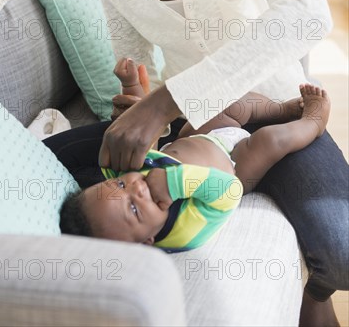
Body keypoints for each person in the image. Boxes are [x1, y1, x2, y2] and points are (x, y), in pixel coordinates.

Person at [47, 0, 348, 326]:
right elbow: (135, 61)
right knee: (44, 168)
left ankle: (316, 290)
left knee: (342, 250)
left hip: (273, 102)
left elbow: (305, 12)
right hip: (189, 129)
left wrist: (165, 100)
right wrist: (137, 94)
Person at [60, 59, 330, 254]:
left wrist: (132, 90)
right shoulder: (184, 230)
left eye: (118, 185)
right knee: (269, 141)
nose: (136, 188)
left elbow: (144, 141)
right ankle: (313, 122)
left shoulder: (130, 182)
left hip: (193, 138)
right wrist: (174, 183)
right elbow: (228, 191)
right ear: (146, 243)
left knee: (226, 105)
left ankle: (278, 110)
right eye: (133, 208)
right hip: (234, 166)